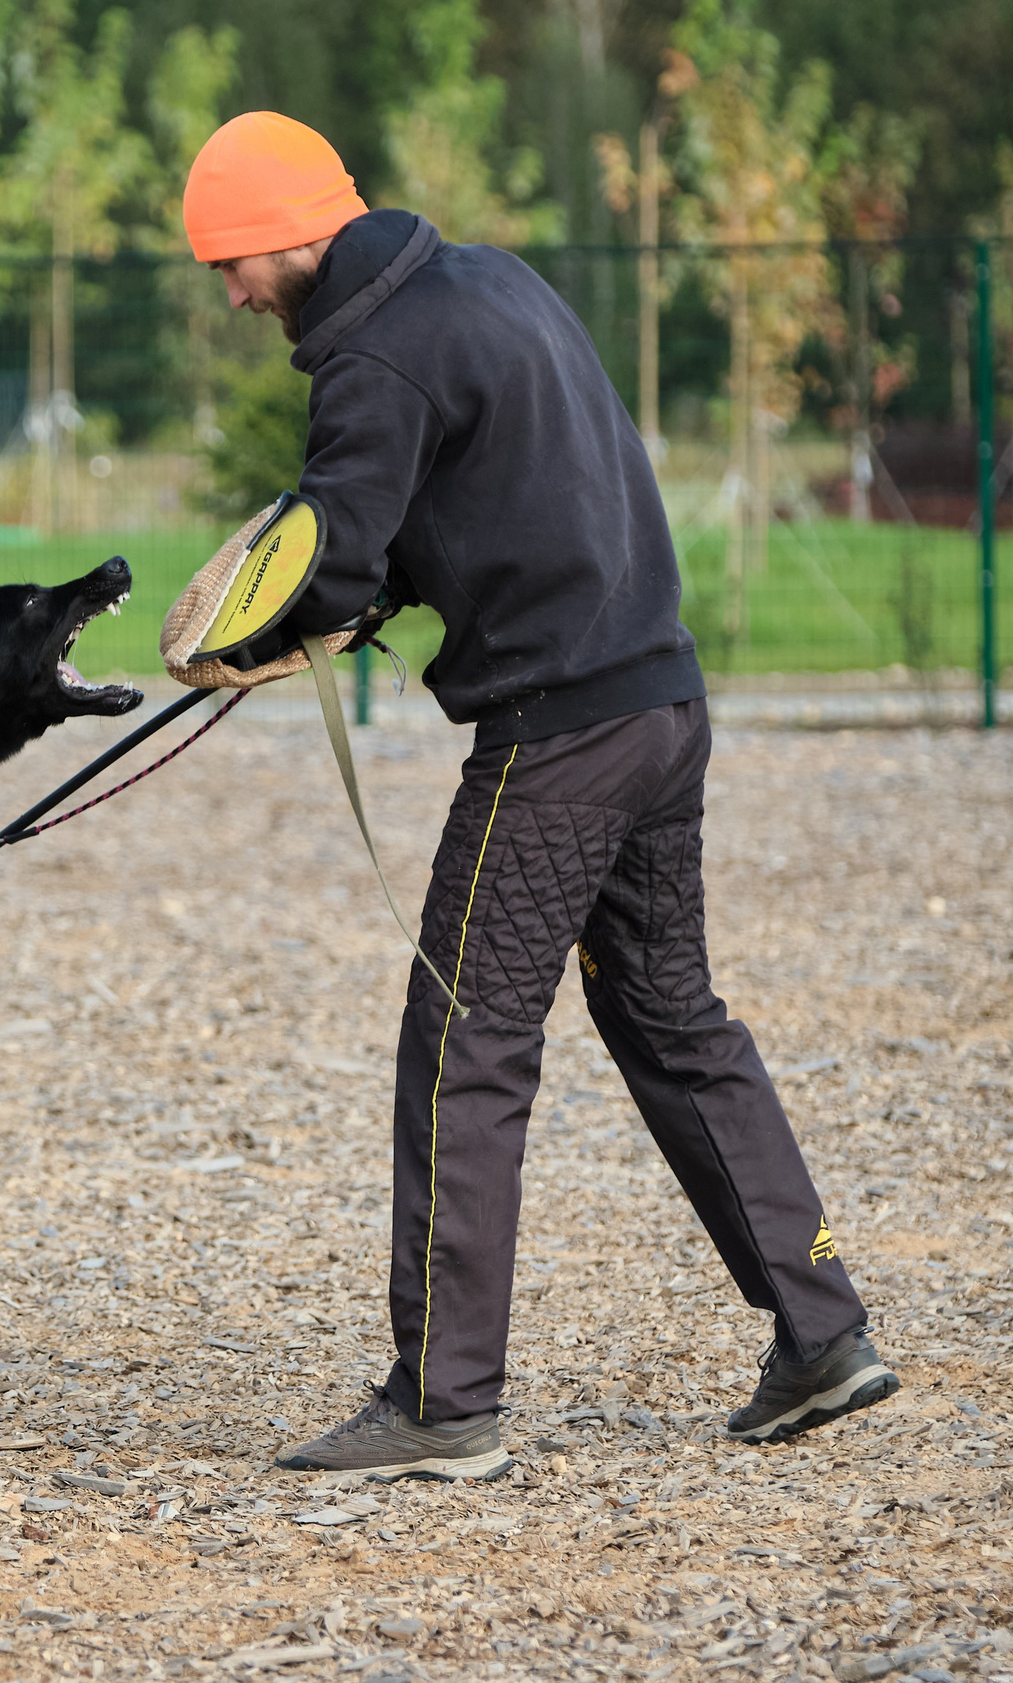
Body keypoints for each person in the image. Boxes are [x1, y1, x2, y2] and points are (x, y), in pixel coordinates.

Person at [176, 112, 895, 1481]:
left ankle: (442, 1402)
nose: (232, 296)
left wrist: (261, 630)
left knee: (465, 1038)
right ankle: (823, 1332)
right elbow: (474, 497)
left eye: (232, 264)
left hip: (559, 733)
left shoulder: (370, 356)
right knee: (669, 1013)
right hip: (661, 700)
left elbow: (335, 550)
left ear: (290, 233)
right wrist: (359, 587)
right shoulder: (488, 281)